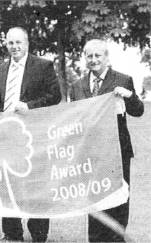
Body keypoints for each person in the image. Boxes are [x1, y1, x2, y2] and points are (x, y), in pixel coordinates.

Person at [0, 27, 61, 242]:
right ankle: (11, 232)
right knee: (7, 184)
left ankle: (38, 232)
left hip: (34, 135)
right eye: (10, 43)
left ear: (27, 43)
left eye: (18, 42)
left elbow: (55, 96)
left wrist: (30, 106)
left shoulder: (43, 66)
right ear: (6, 45)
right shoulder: (0, 70)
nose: (14, 47)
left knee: (36, 184)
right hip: (5, 137)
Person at [69, 39, 144, 242]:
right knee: (95, 197)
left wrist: (129, 96)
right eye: (89, 56)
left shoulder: (123, 79)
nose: (93, 60)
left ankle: (117, 238)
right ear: (84, 58)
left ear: (106, 58)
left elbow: (138, 111)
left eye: (97, 55)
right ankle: (95, 238)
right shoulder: (76, 87)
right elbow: (72, 120)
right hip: (90, 153)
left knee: (119, 198)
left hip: (117, 151)